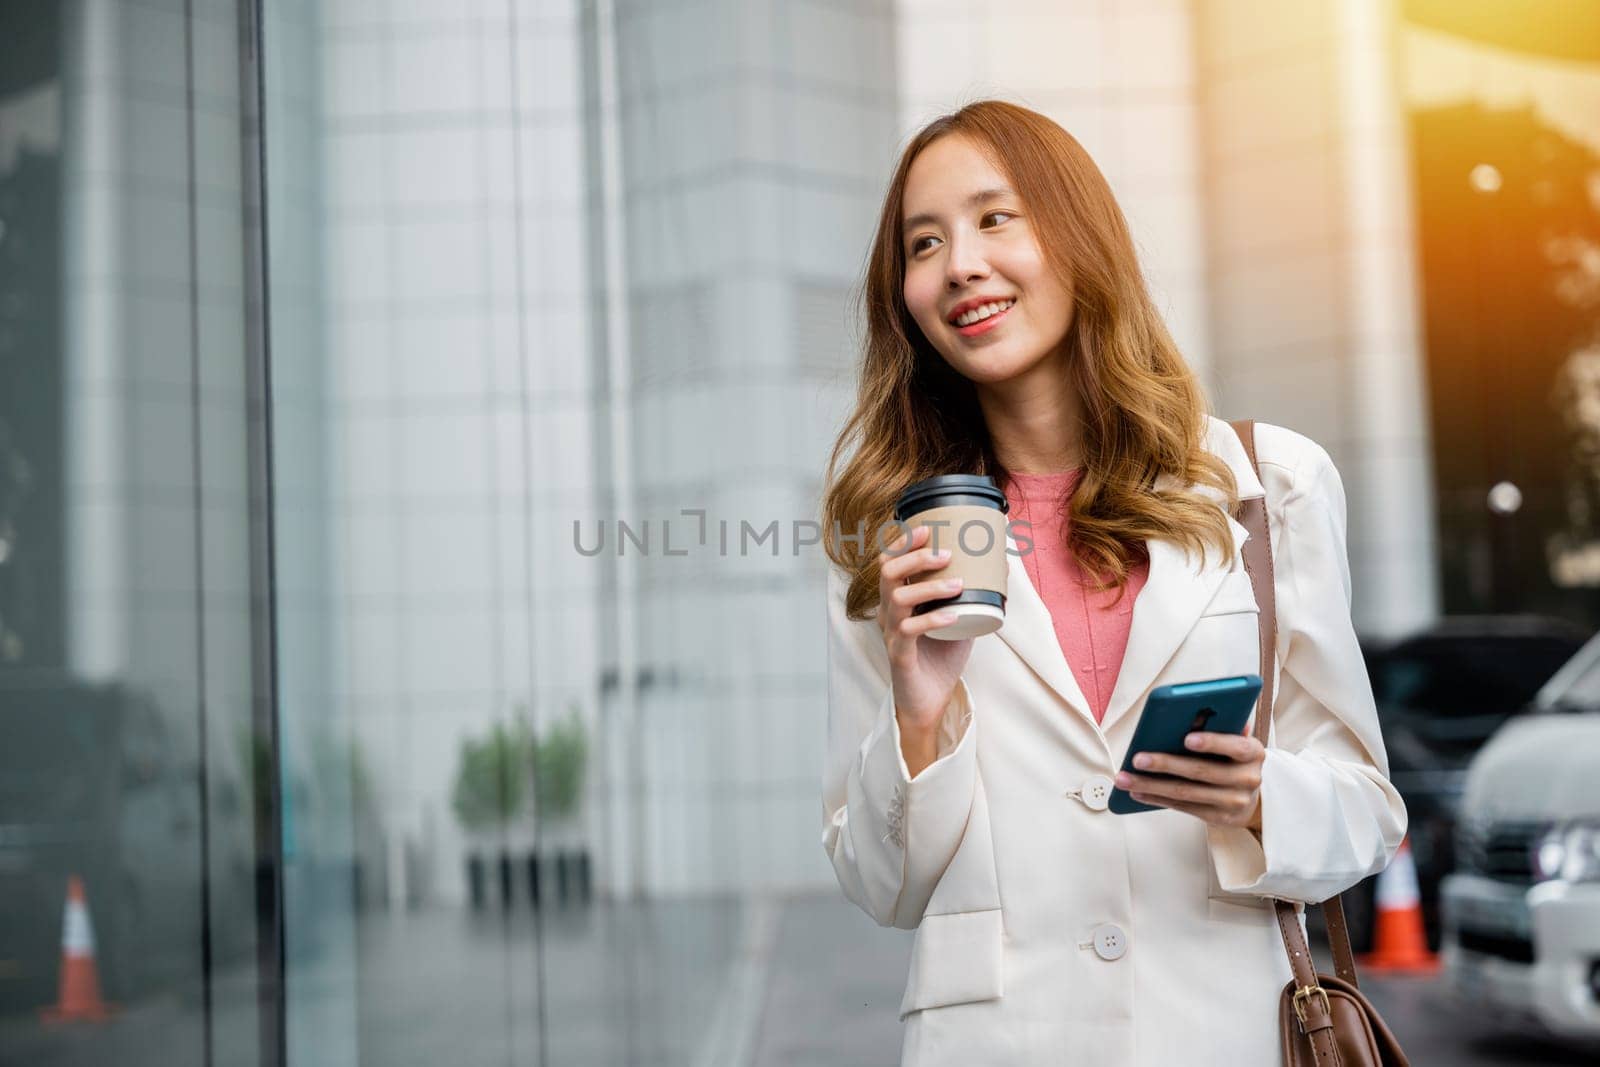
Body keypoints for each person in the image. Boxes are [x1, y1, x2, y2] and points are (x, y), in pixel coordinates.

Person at [817, 99, 1407, 1065]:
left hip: (1226, 1034)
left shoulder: (1270, 487)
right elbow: (881, 884)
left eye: (995, 218)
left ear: (1079, 234)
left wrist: (1262, 797)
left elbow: (1369, 817)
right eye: (924, 244)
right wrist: (919, 720)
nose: (960, 262)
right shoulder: (890, 539)